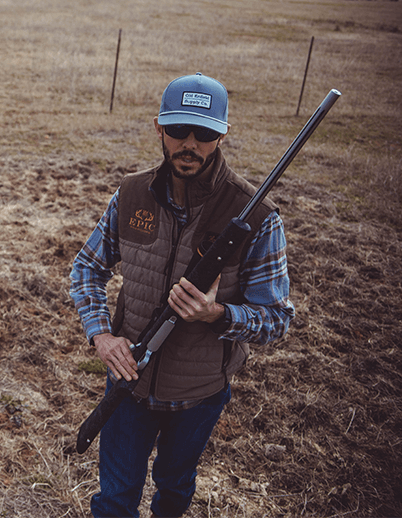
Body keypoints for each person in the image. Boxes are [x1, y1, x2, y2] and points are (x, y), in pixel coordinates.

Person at [70, 73, 294, 517]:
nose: (189, 144)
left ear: (223, 135)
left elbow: (278, 319)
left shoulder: (258, 218)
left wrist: (218, 314)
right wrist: (102, 337)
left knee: (173, 491)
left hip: (201, 395)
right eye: (178, 131)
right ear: (159, 128)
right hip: (128, 386)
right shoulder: (130, 195)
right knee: (114, 500)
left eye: (205, 133)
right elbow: (86, 269)